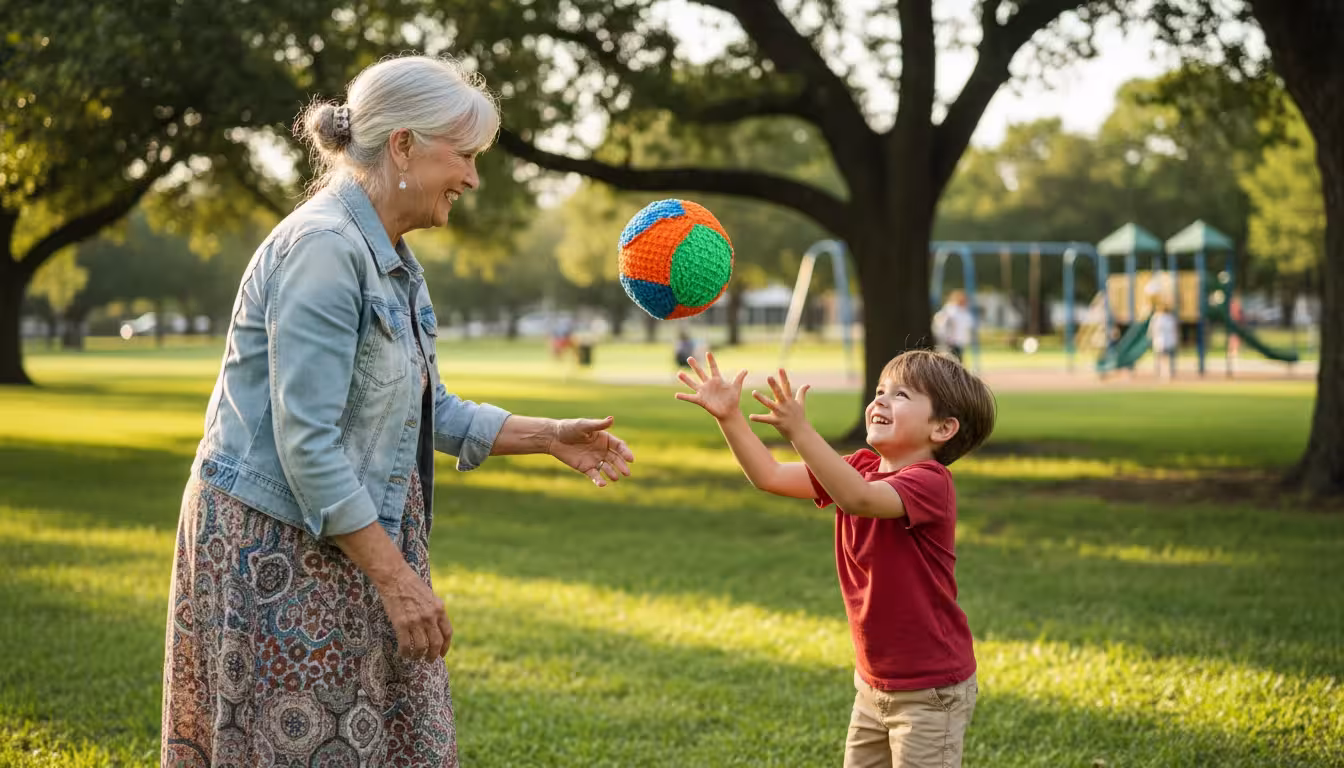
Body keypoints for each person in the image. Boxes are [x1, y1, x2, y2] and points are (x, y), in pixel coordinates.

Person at [161, 55, 635, 767]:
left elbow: (426, 408)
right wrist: (397, 579)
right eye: (465, 155)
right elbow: (308, 443)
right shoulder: (323, 248)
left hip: (349, 537)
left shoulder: (393, 260)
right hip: (277, 549)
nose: (474, 179)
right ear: (403, 144)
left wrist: (549, 436)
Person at [675, 350, 996, 768]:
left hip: (930, 691)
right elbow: (769, 475)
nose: (879, 400)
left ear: (943, 428)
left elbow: (859, 499)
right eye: (880, 391)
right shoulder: (859, 466)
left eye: (901, 395)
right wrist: (729, 417)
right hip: (872, 684)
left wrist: (800, 431)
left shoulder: (930, 483)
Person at [934, 290, 973, 362]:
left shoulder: (964, 311)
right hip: (950, 341)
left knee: (958, 360)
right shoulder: (950, 310)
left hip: (958, 341)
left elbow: (967, 325)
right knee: (951, 361)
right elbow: (941, 324)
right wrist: (947, 337)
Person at [1149, 301, 1179, 380]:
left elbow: (1152, 330)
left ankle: (1166, 373)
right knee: (1162, 358)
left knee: (1164, 358)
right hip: (1161, 340)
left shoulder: (1163, 318)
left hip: (1165, 340)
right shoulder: (1158, 317)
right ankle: (1163, 373)